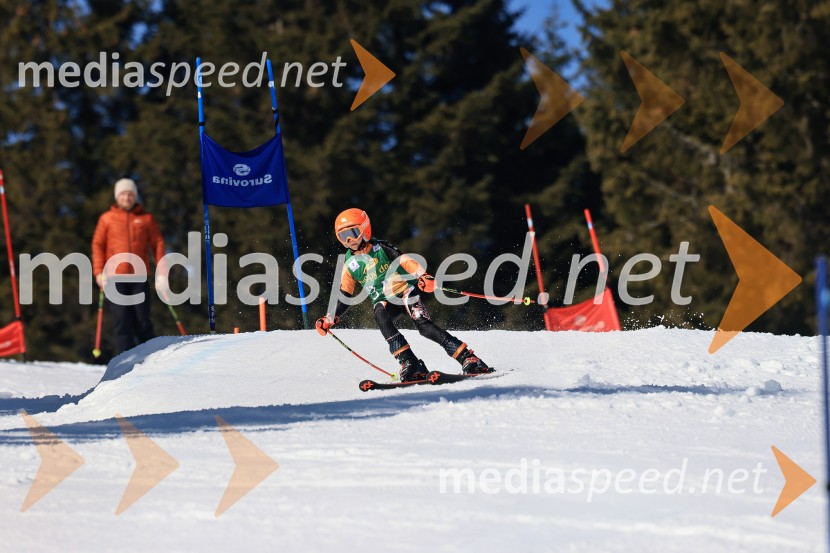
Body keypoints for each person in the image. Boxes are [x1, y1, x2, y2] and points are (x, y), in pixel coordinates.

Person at [316, 208, 492, 382]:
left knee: (425, 327)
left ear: (365, 229)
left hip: (406, 292)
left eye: (353, 233)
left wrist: (423, 276)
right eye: (343, 236)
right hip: (384, 301)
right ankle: (410, 363)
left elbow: (406, 261)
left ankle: (469, 358)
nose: (349, 240)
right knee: (380, 315)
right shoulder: (349, 264)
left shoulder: (380, 248)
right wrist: (331, 317)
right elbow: (345, 295)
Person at [92, 178, 166, 354]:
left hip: (139, 277)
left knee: (142, 321)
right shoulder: (107, 219)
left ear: (135, 197)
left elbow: (158, 244)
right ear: (117, 197)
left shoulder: (146, 219)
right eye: (123, 194)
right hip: (114, 278)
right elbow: (97, 245)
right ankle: (125, 363)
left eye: (130, 194)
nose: (127, 197)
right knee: (121, 322)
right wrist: (98, 272)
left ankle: (150, 359)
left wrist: (162, 274)